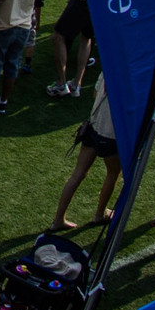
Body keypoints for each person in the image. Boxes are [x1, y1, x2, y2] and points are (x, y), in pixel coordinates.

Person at [52, 76, 122, 232]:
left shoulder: (109, 69)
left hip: (93, 128)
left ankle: (58, 219)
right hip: (113, 135)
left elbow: (96, 94)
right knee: (113, 174)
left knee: (78, 174)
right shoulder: (135, 78)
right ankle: (100, 214)